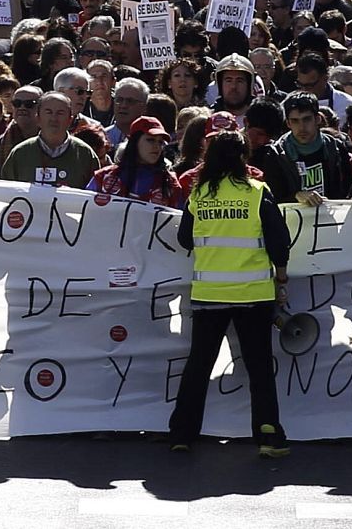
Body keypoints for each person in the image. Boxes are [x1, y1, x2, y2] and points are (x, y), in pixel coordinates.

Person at [168, 128, 290, 457]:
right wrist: (281, 280)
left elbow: (184, 239)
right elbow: (280, 241)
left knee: (199, 365)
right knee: (259, 367)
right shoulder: (256, 192)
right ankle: (268, 435)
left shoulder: (199, 195)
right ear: (242, 157)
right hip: (253, 295)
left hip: (209, 294)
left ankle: (181, 433)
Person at [0, 91, 99, 189]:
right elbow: (6, 192)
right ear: (38, 118)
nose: (54, 118)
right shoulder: (20, 153)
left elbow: (96, 197)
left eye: (60, 113)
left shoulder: (84, 154)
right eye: (48, 112)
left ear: (70, 120)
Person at [87, 116, 186, 207]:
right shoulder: (104, 177)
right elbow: (86, 208)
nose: (157, 146)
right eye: (150, 140)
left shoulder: (170, 183)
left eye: (160, 142)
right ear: (134, 142)